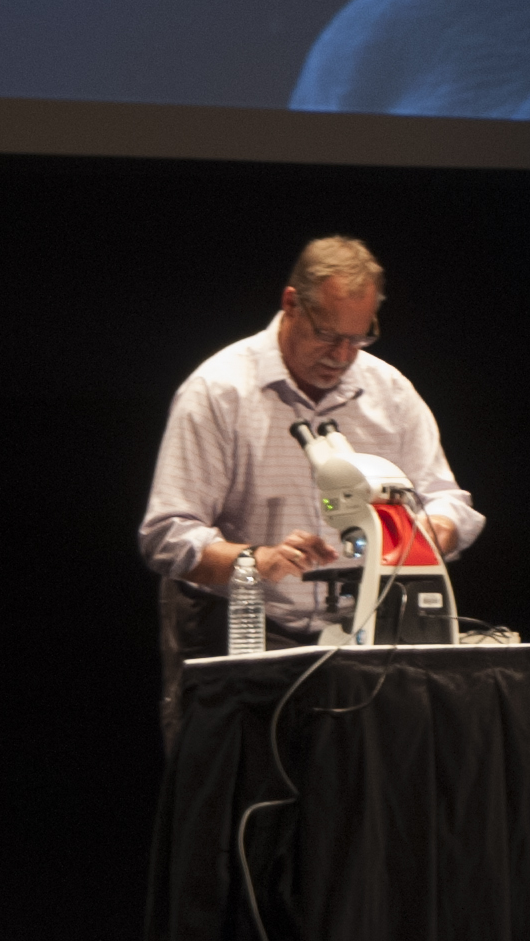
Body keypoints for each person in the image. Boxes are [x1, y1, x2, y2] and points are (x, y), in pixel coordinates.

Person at [139, 236, 481, 647]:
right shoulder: (219, 391)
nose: (341, 355)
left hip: (368, 636)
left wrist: (433, 529)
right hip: (248, 634)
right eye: (327, 334)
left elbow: (446, 501)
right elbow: (167, 535)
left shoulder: (391, 393)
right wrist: (256, 560)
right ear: (290, 304)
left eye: (358, 338)